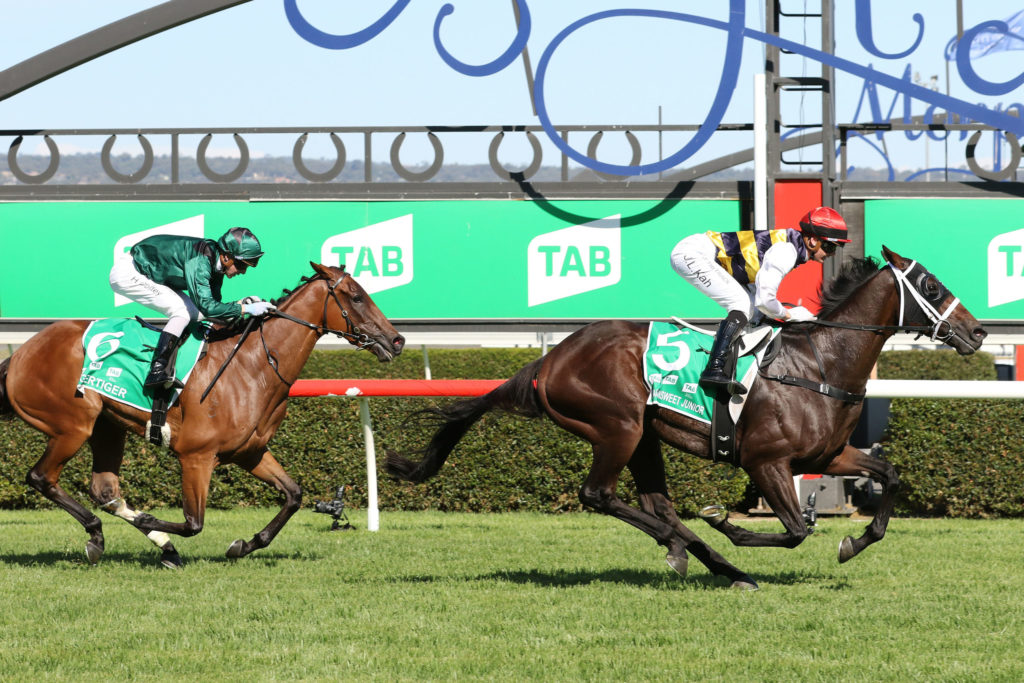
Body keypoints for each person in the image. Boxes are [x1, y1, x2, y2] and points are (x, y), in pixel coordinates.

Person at [669, 206, 850, 395]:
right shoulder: (786, 252)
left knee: (752, 311)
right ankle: (714, 368)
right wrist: (789, 315)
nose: (832, 254)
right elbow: (765, 300)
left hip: (704, 254)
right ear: (812, 241)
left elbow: (759, 301)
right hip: (692, 254)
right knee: (741, 303)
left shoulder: (791, 248)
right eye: (830, 247)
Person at [109, 226, 276, 389]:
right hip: (129, 273)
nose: (243, 271)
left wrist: (241, 304)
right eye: (241, 265)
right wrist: (244, 309)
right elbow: (208, 307)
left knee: (196, 313)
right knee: (182, 311)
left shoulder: (216, 264)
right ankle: (157, 370)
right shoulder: (201, 262)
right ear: (226, 257)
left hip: (148, 273)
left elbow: (212, 307)